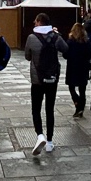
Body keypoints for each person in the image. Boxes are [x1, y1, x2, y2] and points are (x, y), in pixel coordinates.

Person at [23, 13, 68, 155]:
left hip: (37, 80)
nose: (34, 23)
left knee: (36, 108)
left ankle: (39, 135)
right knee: (50, 109)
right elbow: (66, 50)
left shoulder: (31, 38)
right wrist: (57, 34)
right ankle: (49, 142)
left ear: (40, 22)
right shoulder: (55, 37)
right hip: (52, 79)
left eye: (36, 21)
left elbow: (27, 56)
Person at [65, 23, 91, 118]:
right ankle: (81, 108)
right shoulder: (86, 42)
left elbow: (65, 54)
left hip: (72, 67)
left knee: (71, 88)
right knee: (82, 89)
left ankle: (78, 105)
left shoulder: (70, 41)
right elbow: (89, 54)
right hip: (83, 67)